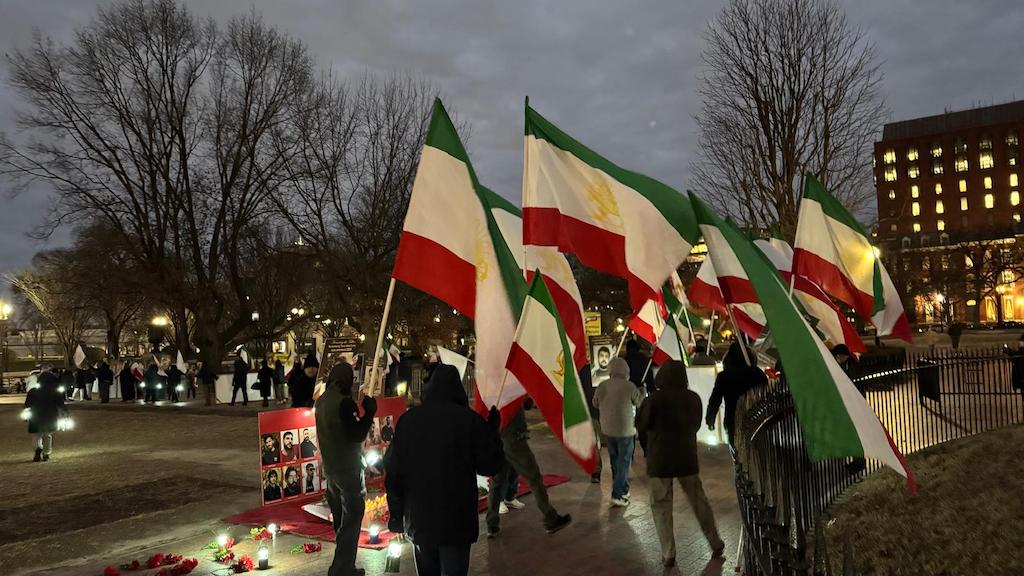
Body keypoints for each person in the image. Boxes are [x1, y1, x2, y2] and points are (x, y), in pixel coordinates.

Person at [385, 365, 503, 576]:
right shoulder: (470, 421)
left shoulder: (408, 421)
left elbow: (394, 471)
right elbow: (490, 465)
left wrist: (396, 514)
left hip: (420, 520)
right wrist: (492, 433)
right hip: (456, 521)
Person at [637, 359, 724, 568]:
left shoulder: (654, 399)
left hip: (660, 460)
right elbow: (696, 425)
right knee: (698, 501)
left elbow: (641, 423)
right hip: (686, 457)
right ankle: (715, 541)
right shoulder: (693, 398)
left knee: (661, 505)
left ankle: (668, 552)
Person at [315, 361, 377, 576]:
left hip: (331, 469)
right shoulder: (344, 403)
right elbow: (356, 434)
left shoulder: (322, 401)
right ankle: (340, 568)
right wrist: (369, 413)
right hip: (348, 469)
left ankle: (346, 565)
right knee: (351, 520)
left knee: (342, 522)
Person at [486, 398, 572, 538]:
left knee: (497, 481)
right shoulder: (514, 388)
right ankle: (550, 518)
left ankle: (492, 524)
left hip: (498, 437)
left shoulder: (491, 388)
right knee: (534, 478)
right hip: (514, 439)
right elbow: (527, 404)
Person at [593, 357, 645, 507]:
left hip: (608, 429)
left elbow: (595, 403)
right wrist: (642, 391)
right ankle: (616, 494)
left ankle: (623, 489)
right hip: (625, 430)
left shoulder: (603, 385)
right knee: (624, 461)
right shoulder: (629, 386)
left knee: (615, 460)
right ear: (626, 370)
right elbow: (639, 402)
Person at [706, 342, 769, 445]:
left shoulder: (724, 376)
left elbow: (715, 399)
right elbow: (766, 397)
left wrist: (710, 418)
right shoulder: (757, 374)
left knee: (735, 448)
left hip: (732, 420)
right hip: (756, 419)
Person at [25, 369, 67, 462]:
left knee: (36, 435)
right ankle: (46, 453)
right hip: (50, 415)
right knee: (47, 435)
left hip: (36, 415)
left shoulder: (33, 391)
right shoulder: (55, 392)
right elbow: (60, 404)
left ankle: (37, 448)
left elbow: (27, 404)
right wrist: (65, 413)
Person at [579, 365, 603, 483]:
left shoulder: (608, 367)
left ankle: (598, 472)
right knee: (595, 443)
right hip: (594, 412)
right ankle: (596, 471)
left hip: (600, 411)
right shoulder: (585, 369)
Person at [1008, 335, 1024, 401]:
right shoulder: (1021, 351)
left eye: (1021, 341)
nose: (1020, 343)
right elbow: (1016, 355)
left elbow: (1017, 357)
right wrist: (1009, 351)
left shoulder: (1022, 351)